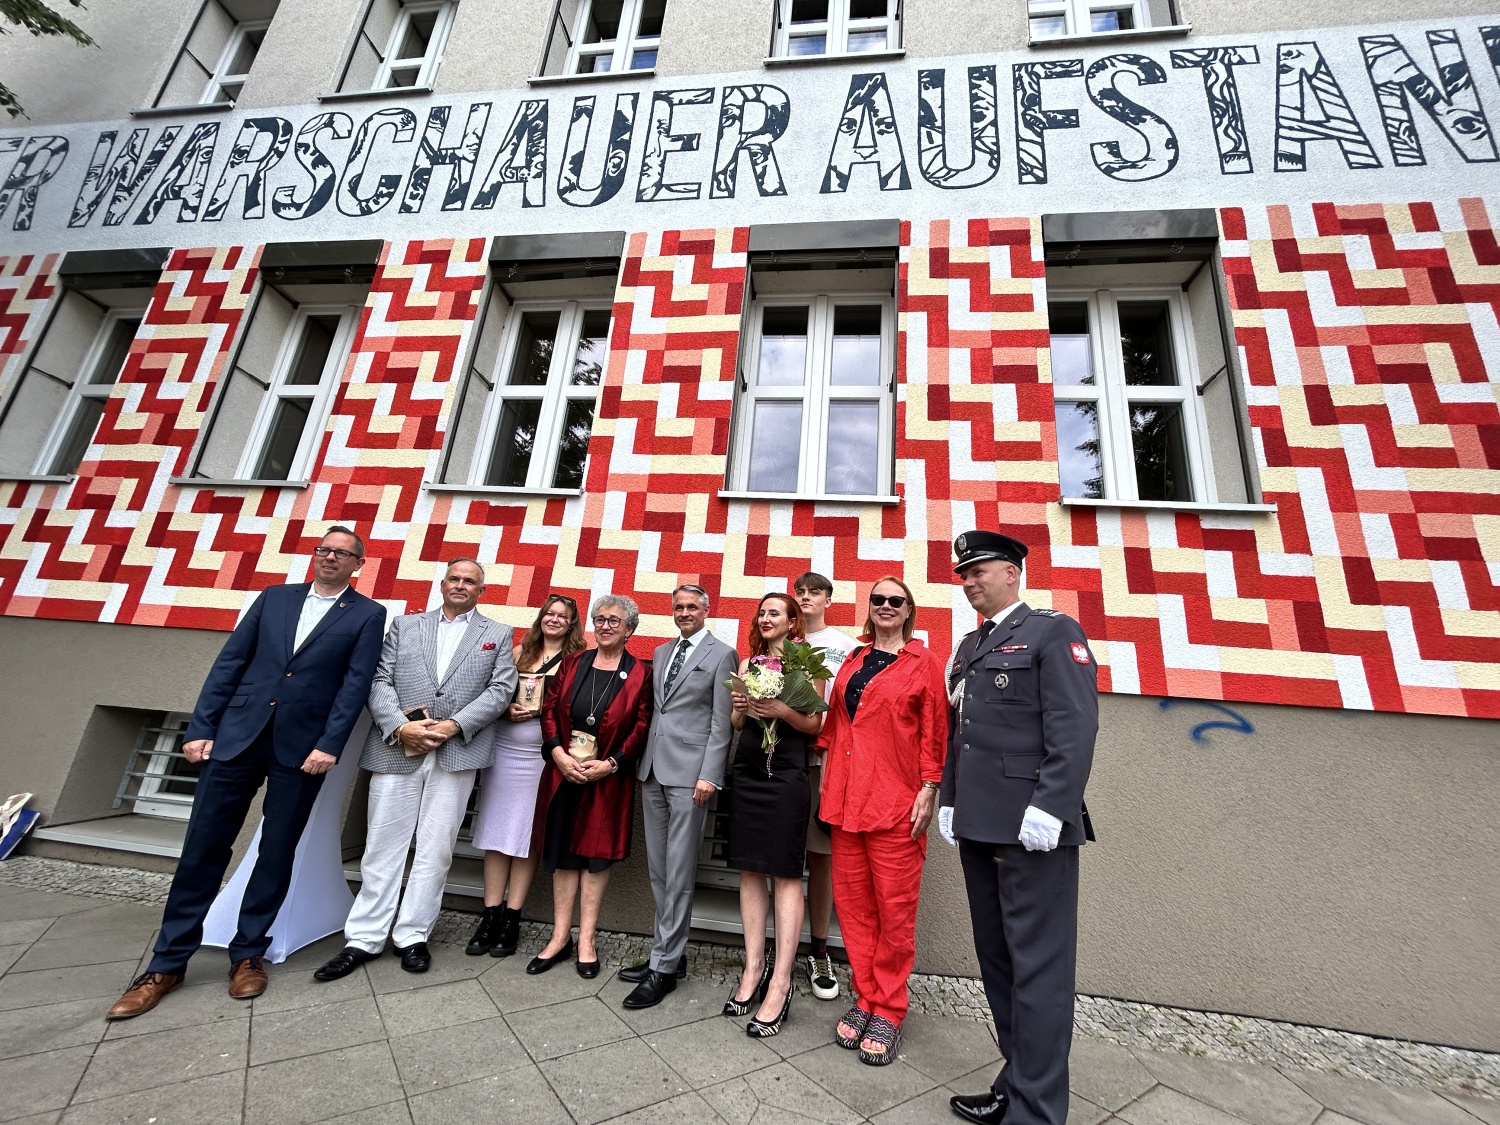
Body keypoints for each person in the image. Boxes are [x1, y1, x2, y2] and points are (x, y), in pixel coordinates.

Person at [106, 527, 386, 1019]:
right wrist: (200, 727)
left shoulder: (367, 615)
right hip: (235, 738)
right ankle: (166, 964)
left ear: (358, 564)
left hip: (301, 750)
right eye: (325, 550)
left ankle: (248, 953)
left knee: (276, 852)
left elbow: (354, 684)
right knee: (202, 849)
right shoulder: (274, 598)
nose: (332, 558)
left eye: (344, 554)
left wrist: (330, 745)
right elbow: (230, 662)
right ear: (314, 555)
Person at [940, 531, 1098, 1125]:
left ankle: (1037, 1110)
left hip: (1032, 827)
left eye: (978, 569)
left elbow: (1075, 728)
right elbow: (964, 733)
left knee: (1038, 967)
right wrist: (952, 801)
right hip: (981, 824)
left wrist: (1051, 807)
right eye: (963, 572)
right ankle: (1018, 1085)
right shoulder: (972, 644)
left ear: (1013, 572)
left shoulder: (1052, 631)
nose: (968, 580)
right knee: (999, 960)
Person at [313, 559, 517, 981]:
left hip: (456, 752)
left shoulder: (496, 634)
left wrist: (454, 725)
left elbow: (501, 690)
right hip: (397, 749)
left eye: (470, 581)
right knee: (382, 845)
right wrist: (400, 726)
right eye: (455, 579)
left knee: (435, 849)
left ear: (482, 589)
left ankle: (412, 936)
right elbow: (378, 678)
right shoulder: (404, 626)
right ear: (442, 584)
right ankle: (364, 938)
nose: (461, 585)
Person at [816, 577, 948, 1065]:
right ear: (868, 608)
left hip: (896, 806)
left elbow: (936, 732)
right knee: (853, 909)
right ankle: (866, 996)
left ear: (909, 609)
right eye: (878, 600)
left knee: (894, 913)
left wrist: (929, 789)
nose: (886, 606)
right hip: (846, 803)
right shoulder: (853, 658)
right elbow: (832, 731)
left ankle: (890, 1008)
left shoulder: (923, 663)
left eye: (896, 600)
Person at [619, 583, 738, 1009]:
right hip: (652, 769)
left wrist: (710, 775)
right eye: (679, 607)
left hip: (692, 777)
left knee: (680, 871)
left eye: (692, 606)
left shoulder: (722, 654)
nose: (685, 612)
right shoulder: (664, 652)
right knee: (659, 869)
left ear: (707, 609)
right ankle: (668, 954)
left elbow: (721, 723)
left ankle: (663, 968)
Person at [527, 594, 653, 979]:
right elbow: (549, 710)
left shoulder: (641, 673)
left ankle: (587, 941)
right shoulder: (572, 663)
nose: (606, 625)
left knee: (595, 858)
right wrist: (558, 755)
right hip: (564, 772)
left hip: (606, 778)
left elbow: (643, 724)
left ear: (630, 629)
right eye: (599, 619)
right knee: (564, 854)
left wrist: (612, 763)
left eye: (615, 620)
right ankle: (560, 937)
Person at [724, 593, 824, 1037]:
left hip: (785, 771)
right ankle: (753, 968)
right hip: (747, 768)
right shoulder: (748, 666)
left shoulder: (808, 667)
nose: (766, 619)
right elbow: (735, 724)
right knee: (749, 869)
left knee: (784, 874)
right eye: (762, 613)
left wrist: (783, 709)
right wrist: (742, 711)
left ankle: (780, 982)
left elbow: (815, 724)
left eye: (774, 613)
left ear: (792, 621)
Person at [465, 595, 586, 958]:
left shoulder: (578, 662)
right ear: (540, 618)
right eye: (549, 613)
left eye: (562, 616)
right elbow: (493, 694)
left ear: (572, 624)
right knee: (495, 832)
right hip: (504, 750)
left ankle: (512, 917)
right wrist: (506, 712)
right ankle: (490, 914)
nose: (554, 619)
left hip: (543, 757)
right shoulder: (518, 653)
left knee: (524, 835)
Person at [793, 571, 859, 1003]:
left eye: (813, 592)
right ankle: (769, 952)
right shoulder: (782, 641)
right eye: (799, 591)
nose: (804, 598)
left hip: (825, 763)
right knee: (773, 857)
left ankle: (819, 948)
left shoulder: (846, 646)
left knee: (821, 858)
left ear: (829, 599)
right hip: (779, 762)